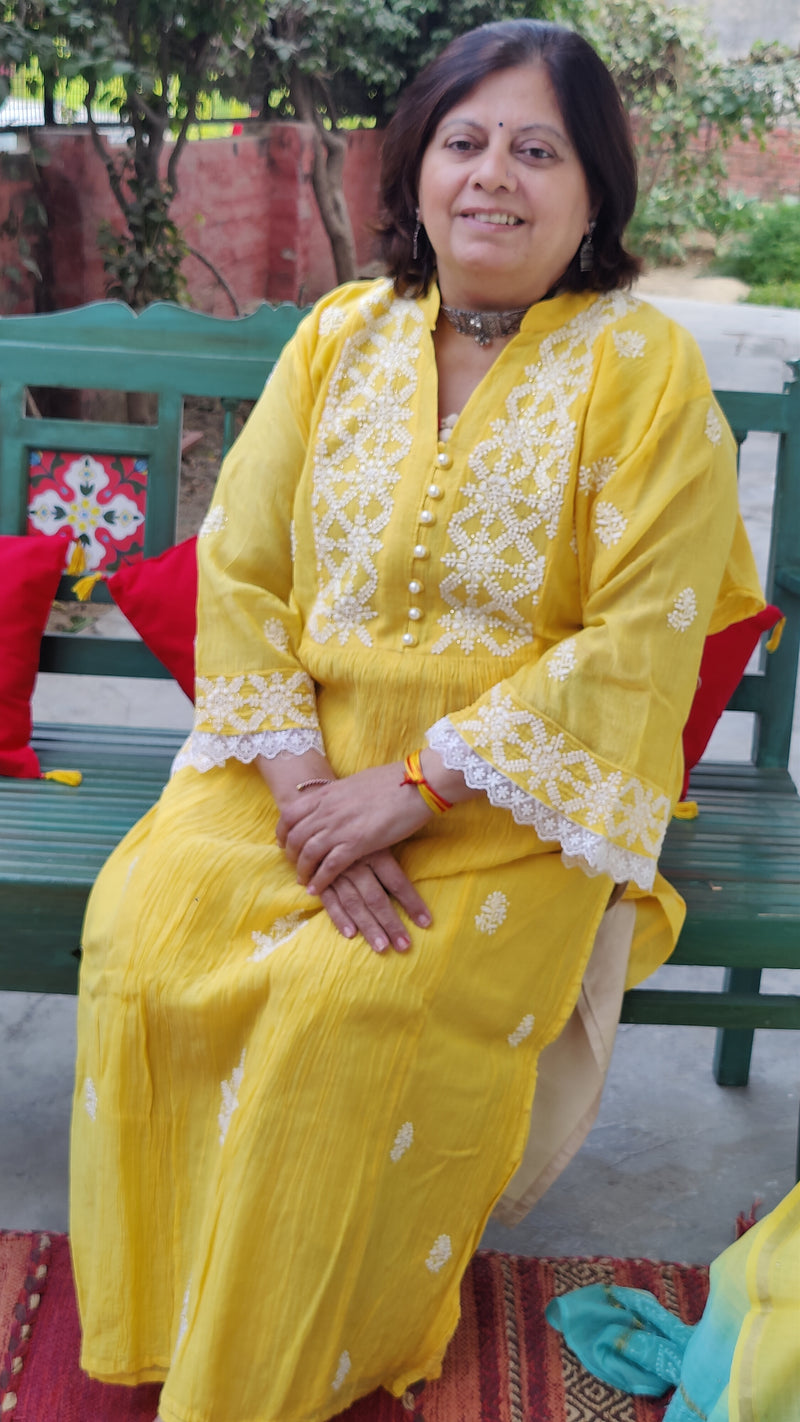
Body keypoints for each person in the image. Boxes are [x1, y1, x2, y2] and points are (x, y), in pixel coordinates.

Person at [69, 19, 765, 1422]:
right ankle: (180, 1312)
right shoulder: (340, 336)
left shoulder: (645, 372)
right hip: (293, 766)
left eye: (536, 148)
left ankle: (290, 1356)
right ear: (416, 169)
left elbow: (639, 637)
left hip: (514, 801)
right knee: (144, 933)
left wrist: (415, 784)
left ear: (593, 192)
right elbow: (245, 568)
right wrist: (304, 781)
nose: (492, 176)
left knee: (351, 1009)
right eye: (464, 140)